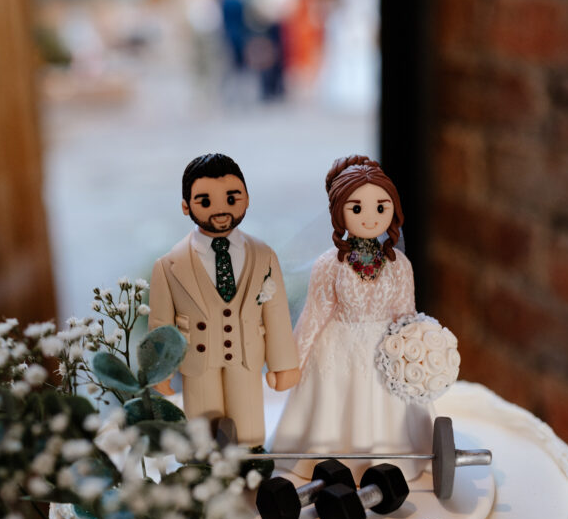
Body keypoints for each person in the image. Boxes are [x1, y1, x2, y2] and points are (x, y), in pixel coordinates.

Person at [272, 155, 433, 477]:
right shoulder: (329, 264)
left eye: (381, 207)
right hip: (337, 348)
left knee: (386, 405)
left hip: (385, 350)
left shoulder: (400, 265)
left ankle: (387, 460)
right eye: (357, 208)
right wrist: (292, 363)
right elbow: (314, 315)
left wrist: (419, 356)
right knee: (335, 406)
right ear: (339, 213)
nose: (370, 218)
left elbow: (407, 316)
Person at [149, 153, 300, 448]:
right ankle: (206, 464)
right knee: (203, 429)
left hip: (246, 357)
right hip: (197, 362)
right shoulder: (168, 265)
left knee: (248, 426)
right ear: (185, 206)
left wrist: (283, 363)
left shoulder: (263, 255)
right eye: (205, 201)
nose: (220, 209)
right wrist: (161, 368)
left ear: (247, 199)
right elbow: (161, 324)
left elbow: (276, 313)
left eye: (231, 198)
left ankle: (250, 459)